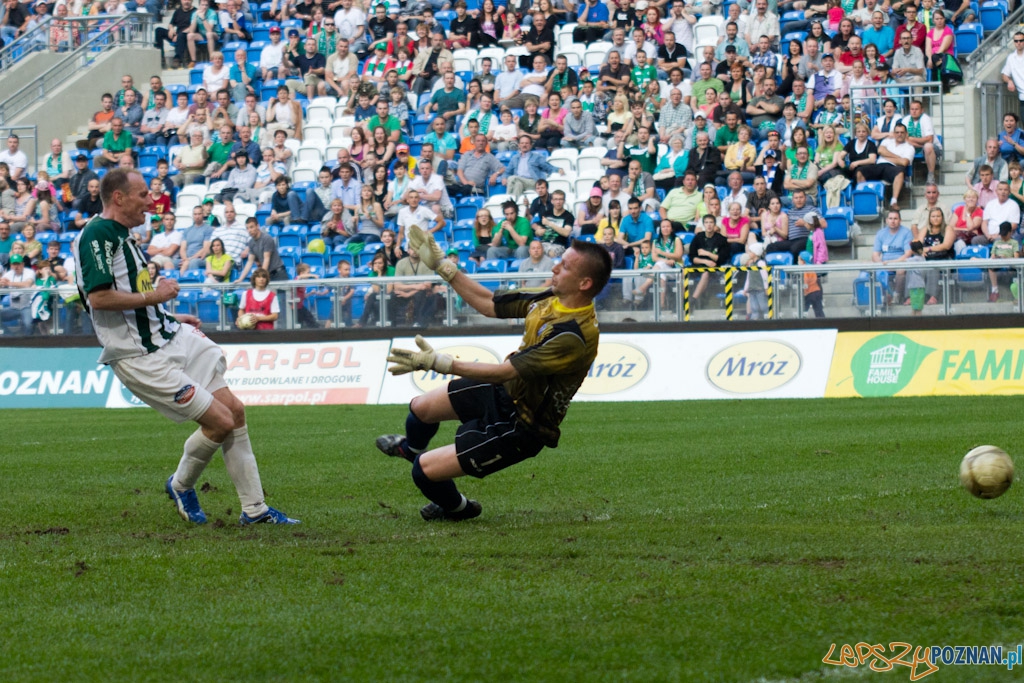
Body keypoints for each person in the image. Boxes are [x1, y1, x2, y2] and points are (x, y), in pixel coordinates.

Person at [72, 168, 296, 525]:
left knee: (234, 411)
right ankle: (181, 484)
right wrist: (155, 295)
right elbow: (99, 298)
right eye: (143, 194)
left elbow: (136, 298)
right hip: (141, 356)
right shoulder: (97, 234)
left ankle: (255, 510)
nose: (151, 200)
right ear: (118, 197)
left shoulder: (124, 235)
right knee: (220, 422)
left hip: (168, 337)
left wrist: (170, 316)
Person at [376, 224, 611, 521]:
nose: (554, 267)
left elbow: (503, 373)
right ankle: (411, 449)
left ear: (584, 283)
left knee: (423, 472)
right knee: (420, 408)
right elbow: (489, 304)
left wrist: (440, 363)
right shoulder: (550, 297)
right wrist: (442, 266)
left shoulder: (573, 335)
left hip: (523, 423)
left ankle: (459, 508)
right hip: (505, 392)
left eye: (564, 266)